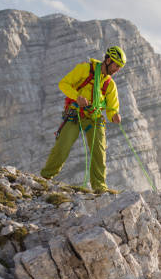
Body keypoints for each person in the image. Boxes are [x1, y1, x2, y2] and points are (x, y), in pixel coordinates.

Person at [41, 46, 126, 193]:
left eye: (120, 67)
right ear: (107, 60)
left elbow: (112, 108)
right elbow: (64, 84)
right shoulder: (85, 69)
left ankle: (99, 187)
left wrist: (114, 116)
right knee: (62, 147)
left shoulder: (110, 84)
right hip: (75, 114)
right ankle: (45, 178)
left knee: (99, 152)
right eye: (116, 65)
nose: (117, 69)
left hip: (95, 118)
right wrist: (77, 97)